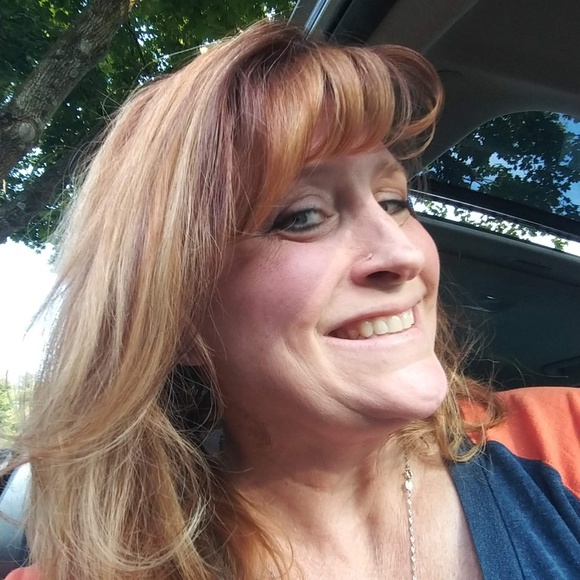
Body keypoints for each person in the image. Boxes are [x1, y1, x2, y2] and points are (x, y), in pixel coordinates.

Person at [3, 19, 579, 580]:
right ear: (177, 319)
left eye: (394, 202)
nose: (401, 253)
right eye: (302, 216)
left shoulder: (562, 439)